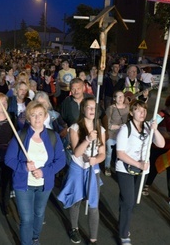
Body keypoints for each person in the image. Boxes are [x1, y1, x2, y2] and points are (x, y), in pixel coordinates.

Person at [4, 101, 66, 245]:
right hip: (23, 185)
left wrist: (44, 172)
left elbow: (61, 161)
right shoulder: (21, 135)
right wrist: (24, 167)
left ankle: (35, 237)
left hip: (44, 185)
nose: (37, 118)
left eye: (40, 114)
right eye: (33, 115)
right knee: (26, 218)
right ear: (28, 118)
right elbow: (9, 159)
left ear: (45, 116)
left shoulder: (53, 136)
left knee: (39, 214)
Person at [58, 97, 106, 244]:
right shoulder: (75, 128)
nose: (92, 110)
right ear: (83, 109)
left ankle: (93, 239)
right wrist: (88, 139)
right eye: (89, 107)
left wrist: (95, 160)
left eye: (94, 108)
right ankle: (74, 228)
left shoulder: (100, 129)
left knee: (93, 204)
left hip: (93, 168)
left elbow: (103, 154)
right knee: (76, 200)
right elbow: (77, 153)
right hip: (77, 167)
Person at [116, 100, 165, 245]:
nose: (142, 113)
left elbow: (161, 144)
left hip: (142, 171)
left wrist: (155, 130)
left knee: (131, 202)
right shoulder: (126, 129)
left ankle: (122, 222)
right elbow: (120, 153)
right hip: (125, 169)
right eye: (138, 110)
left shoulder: (149, 126)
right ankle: (124, 235)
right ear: (131, 113)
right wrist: (138, 163)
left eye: (144, 110)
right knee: (129, 201)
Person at [104, 90, 129, 176]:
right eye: (118, 96)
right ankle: (107, 167)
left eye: (122, 96)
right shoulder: (111, 108)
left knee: (119, 153)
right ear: (114, 98)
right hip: (111, 134)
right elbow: (106, 123)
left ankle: (117, 169)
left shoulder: (127, 108)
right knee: (109, 153)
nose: (121, 98)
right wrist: (116, 126)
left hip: (122, 135)